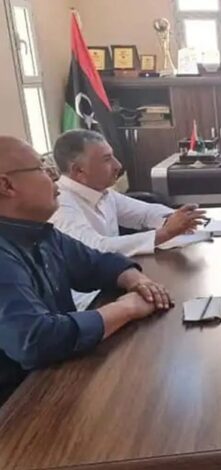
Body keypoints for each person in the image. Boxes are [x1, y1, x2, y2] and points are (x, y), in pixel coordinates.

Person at [0, 136, 173, 404]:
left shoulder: (40, 233)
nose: (55, 177)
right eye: (43, 169)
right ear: (6, 185)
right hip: (17, 406)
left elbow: (96, 263)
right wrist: (126, 308)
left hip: (57, 380)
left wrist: (137, 280)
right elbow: (35, 340)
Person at [49, 129, 206, 258]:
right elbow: (95, 248)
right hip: (91, 287)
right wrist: (165, 233)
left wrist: (178, 218)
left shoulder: (102, 192)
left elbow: (145, 213)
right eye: (106, 159)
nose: (118, 165)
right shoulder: (59, 204)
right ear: (78, 170)